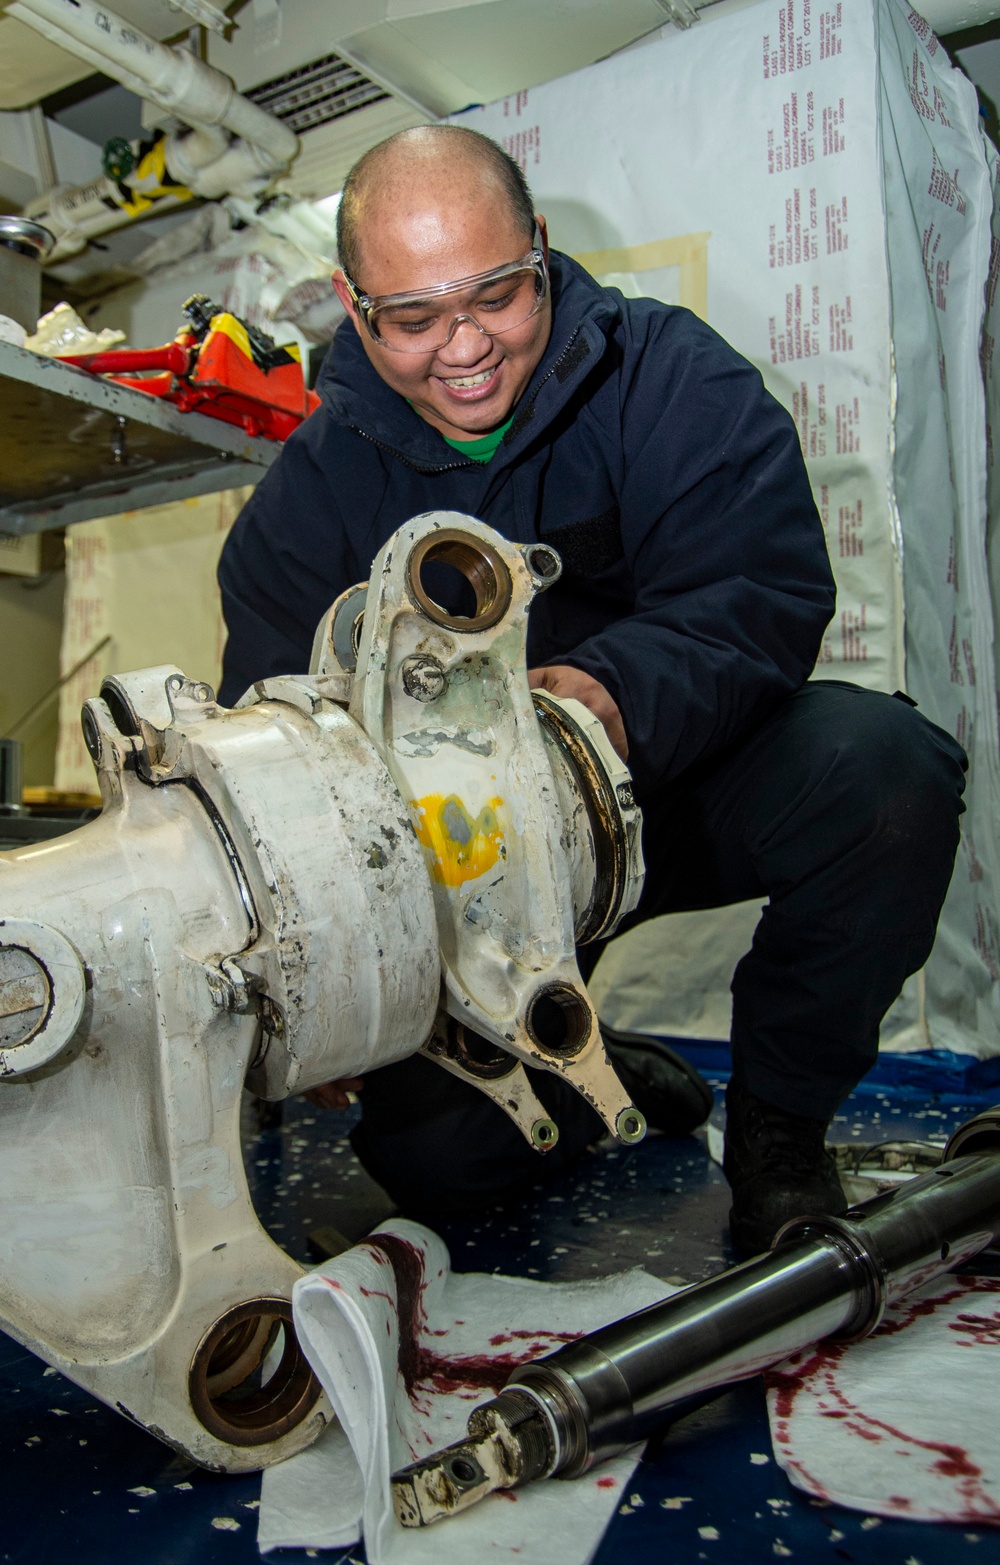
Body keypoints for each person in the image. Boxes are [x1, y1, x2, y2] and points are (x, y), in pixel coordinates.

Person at [218, 125, 967, 1254]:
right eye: (413, 318)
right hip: (456, 869)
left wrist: (597, 698)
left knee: (886, 775)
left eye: (497, 296)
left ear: (542, 251)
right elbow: (265, 758)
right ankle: (593, 1076)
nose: (463, 348)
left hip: (673, 789)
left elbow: (760, 590)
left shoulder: (670, 377)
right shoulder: (305, 498)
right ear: (353, 305)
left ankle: (778, 1132)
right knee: (438, 1168)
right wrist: (323, 968)